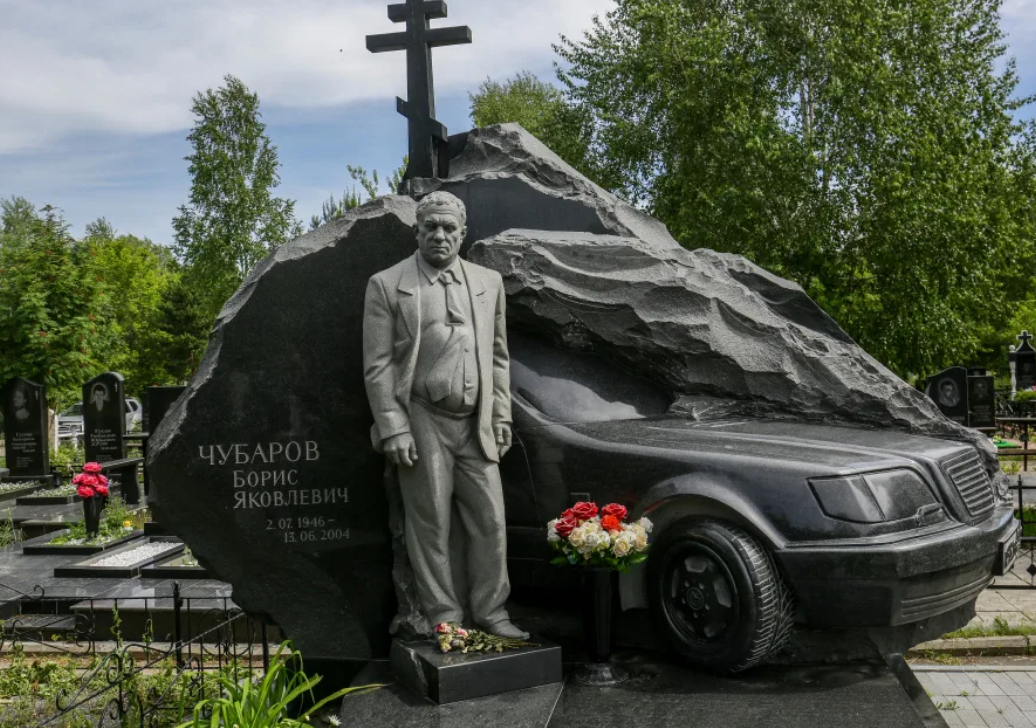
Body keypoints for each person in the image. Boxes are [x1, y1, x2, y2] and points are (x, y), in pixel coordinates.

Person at [362, 191, 527, 639]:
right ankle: (446, 618)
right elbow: (378, 366)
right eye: (431, 226)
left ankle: (492, 612)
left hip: (476, 423)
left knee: (491, 520)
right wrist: (393, 426)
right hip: (422, 419)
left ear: (463, 233)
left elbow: (498, 356)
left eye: (448, 228)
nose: (440, 235)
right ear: (417, 231)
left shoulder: (488, 282)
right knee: (430, 523)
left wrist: (501, 417)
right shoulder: (387, 284)